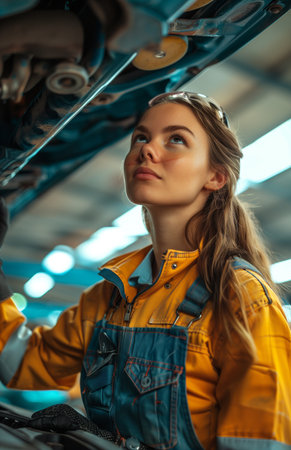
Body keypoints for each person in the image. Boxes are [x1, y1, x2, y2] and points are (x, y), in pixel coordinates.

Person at [0, 91, 290, 450]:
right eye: (141, 136)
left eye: (176, 139)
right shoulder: (109, 297)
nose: (147, 150)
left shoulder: (241, 297)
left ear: (215, 176)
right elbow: (21, 364)